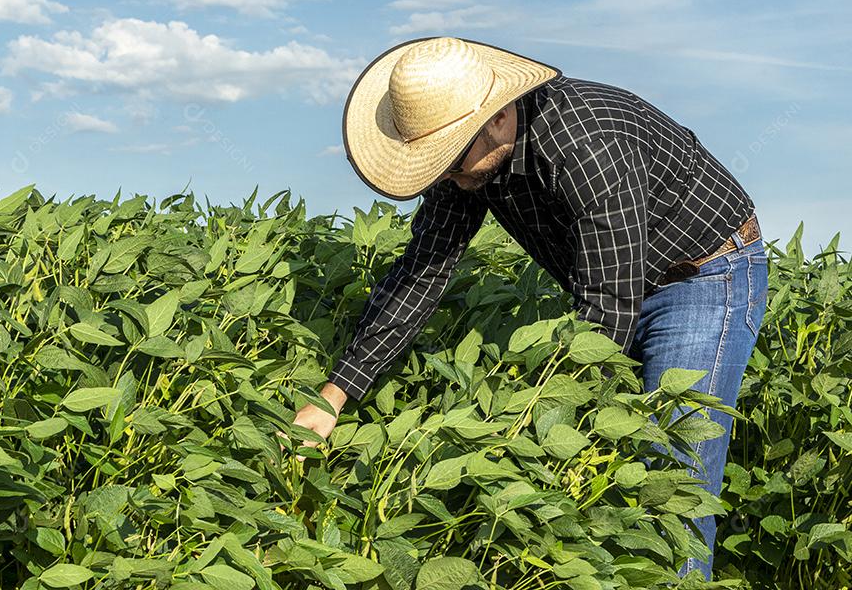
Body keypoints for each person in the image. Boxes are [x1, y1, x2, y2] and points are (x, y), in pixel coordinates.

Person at [286, 36, 768, 580]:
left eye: (452, 157)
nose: (447, 176)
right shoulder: (465, 164)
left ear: (496, 117)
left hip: (704, 275)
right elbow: (420, 274)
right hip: (615, 283)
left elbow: (607, 306)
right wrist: (332, 398)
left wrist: (539, 431)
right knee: (610, 484)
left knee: (671, 480)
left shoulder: (587, 143)